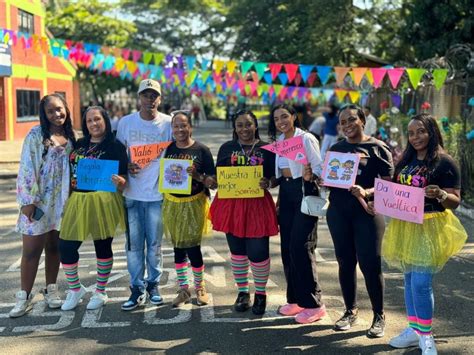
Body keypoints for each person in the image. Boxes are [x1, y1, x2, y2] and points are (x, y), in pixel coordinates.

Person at [381, 113, 467, 354]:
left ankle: (426, 336)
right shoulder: (405, 160)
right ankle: (413, 330)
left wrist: (440, 193)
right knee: (409, 280)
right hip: (406, 225)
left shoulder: (445, 162)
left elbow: (455, 202)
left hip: (430, 226)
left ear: (432, 132)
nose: (416, 137)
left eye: (421, 131)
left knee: (420, 282)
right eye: (411, 133)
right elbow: (397, 192)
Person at [325, 104, 393, 337]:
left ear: (363, 120)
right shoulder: (337, 148)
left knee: (370, 265)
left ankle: (378, 315)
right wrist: (317, 178)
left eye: (352, 120)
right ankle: (350, 311)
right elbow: (329, 181)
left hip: (367, 214)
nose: (347, 125)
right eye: (343, 122)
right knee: (345, 262)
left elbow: (390, 186)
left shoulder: (378, 148)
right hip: (338, 213)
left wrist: (367, 192)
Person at [10, 94, 75, 318]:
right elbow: (27, 168)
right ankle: (24, 296)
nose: (57, 114)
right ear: (44, 115)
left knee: (54, 247)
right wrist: (27, 201)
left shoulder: (70, 136)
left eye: (60, 109)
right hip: (39, 203)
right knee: (31, 251)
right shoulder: (36, 135)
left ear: (66, 108)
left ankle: (51, 289)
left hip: (62, 204)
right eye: (51, 111)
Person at [58, 106, 128, 311]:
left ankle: (100, 291)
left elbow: (124, 177)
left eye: (97, 119)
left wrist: (120, 180)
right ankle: (74, 289)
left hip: (103, 200)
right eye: (89, 121)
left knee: (102, 246)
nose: (93, 124)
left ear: (105, 120)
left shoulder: (115, 146)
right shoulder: (80, 143)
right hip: (78, 199)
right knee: (66, 246)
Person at [210, 110, 278, 315]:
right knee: (238, 252)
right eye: (239, 125)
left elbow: (276, 177)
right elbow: (217, 176)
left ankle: (260, 294)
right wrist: (212, 181)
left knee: (258, 252)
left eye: (248, 124)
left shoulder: (267, 148)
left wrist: (269, 182)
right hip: (231, 205)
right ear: (235, 128)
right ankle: (242, 293)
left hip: (257, 205)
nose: (244, 129)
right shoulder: (226, 148)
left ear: (255, 125)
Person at [116, 79, 172, 310]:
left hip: (158, 195)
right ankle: (136, 287)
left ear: (159, 99)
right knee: (134, 245)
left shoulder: (168, 123)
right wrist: (126, 166)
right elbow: (118, 154)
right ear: (139, 97)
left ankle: (153, 285)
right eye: (145, 95)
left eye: (154, 95)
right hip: (133, 194)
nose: (150, 99)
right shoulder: (126, 122)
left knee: (155, 245)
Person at [268, 104, 326, 324]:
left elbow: (319, 168)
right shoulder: (280, 141)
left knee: (301, 247)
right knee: (286, 249)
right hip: (287, 193)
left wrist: (312, 175)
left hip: (305, 192)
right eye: (276, 119)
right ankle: (296, 300)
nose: (281, 121)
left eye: (285, 116)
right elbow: (280, 176)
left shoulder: (306, 138)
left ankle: (315, 304)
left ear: (294, 117)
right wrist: (271, 186)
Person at [162, 111, 216, 307]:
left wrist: (199, 176)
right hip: (172, 203)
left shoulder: (202, 150)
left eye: (183, 125)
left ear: (190, 127)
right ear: (172, 129)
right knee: (178, 248)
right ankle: (184, 289)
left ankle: (200, 287)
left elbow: (213, 182)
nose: (180, 129)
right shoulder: (168, 149)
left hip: (194, 203)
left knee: (193, 248)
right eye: (176, 126)